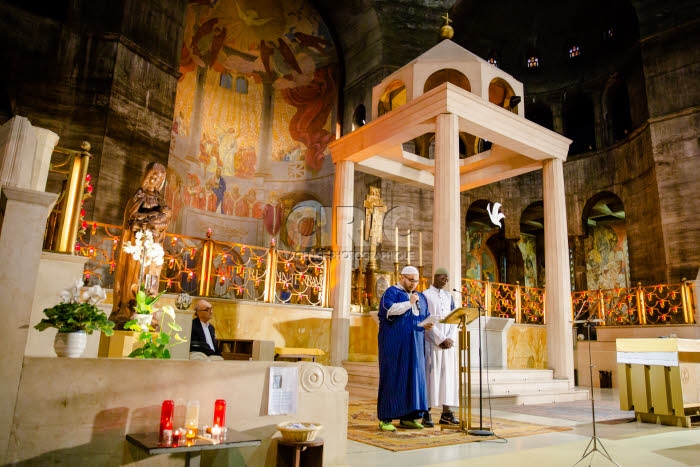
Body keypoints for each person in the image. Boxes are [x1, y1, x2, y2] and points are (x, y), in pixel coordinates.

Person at [110, 162, 172, 328]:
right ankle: (127, 310)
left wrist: (149, 220)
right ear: (146, 175)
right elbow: (133, 218)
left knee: (150, 278)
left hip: (154, 245)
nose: (154, 179)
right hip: (137, 244)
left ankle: (146, 311)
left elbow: (165, 218)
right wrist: (151, 218)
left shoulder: (160, 199)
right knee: (134, 275)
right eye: (152, 175)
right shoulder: (138, 196)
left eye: (158, 178)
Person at [376, 265, 433, 431]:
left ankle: (409, 417)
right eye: (411, 280)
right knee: (393, 377)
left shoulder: (421, 296)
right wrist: (409, 303)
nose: (414, 284)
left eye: (416, 281)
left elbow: (422, 316)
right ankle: (385, 418)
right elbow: (389, 311)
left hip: (415, 345)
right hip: (394, 344)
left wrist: (427, 324)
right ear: (401, 277)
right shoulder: (392, 292)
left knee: (414, 380)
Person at [422, 267, 460, 427]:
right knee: (431, 377)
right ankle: (426, 412)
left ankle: (446, 413)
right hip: (432, 343)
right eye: (444, 278)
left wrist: (450, 338)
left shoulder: (448, 296)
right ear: (436, 277)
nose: (446, 281)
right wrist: (440, 338)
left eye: (447, 279)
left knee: (447, 378)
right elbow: (425, 319)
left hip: (448, 345)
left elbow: (454, 319)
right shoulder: (425, 295)